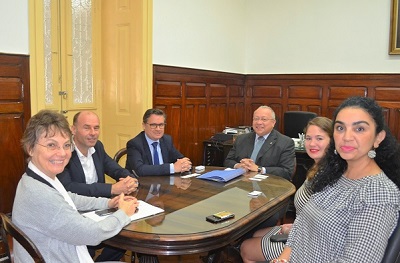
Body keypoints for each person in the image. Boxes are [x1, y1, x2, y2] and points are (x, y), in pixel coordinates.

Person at [272, 96, 400, 263]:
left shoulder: (379, 193)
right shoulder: (334, 173)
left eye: (359, 129)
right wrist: (283, 258)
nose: (346, 137)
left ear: (378, 138)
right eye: (340, 128)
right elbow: (302, 224)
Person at [12, 109, 139, 263]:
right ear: (30, 148)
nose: (62, 153)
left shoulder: (33, 178)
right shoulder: (40, 194)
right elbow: (92, 234)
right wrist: (123, 214)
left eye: (66, 145)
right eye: (51, 145)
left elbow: (68, 198)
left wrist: (107, 202)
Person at [240, 116, 333, 263]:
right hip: (302, 230)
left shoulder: (329, 175)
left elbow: (327, 225)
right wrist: (296, 226)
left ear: (332, 141)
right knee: (255, 233)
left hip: (313, 246)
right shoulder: (317, 168)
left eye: (319, 138)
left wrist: (294, 235)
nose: (312, 143)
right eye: (308, 138)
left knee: (246, 247)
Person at [57, 110, 138, 261]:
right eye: (87, 127)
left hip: (101, 206)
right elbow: (69, 188)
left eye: (96, 128)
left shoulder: (97, 147)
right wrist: (112, 189)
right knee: (120, 230)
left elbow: (113, 167)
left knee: (129, 229)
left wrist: (129, 178)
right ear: (73, 129)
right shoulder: (65, 152)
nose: (93, 133)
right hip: (76, 211)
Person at [224, 105, 295, 180]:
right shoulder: (241, 139)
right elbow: (228, 161)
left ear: (273, 123)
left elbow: (287, 172)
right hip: (241, 183)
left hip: (269, 186)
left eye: (264, 119)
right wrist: (239, 165)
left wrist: (259, 169)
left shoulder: (285, 143)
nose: (259, 122)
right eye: (256, 119)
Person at [125, 108, 192, 176]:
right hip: (143, 184)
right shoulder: (134, 144)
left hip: (165, 183)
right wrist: (172, 168)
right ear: (144, 125)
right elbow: (140, 170)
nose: (158, 129)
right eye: (153, 125)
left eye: (161, 125)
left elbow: (181, 158)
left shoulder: (167, 140)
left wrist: (185, 164)